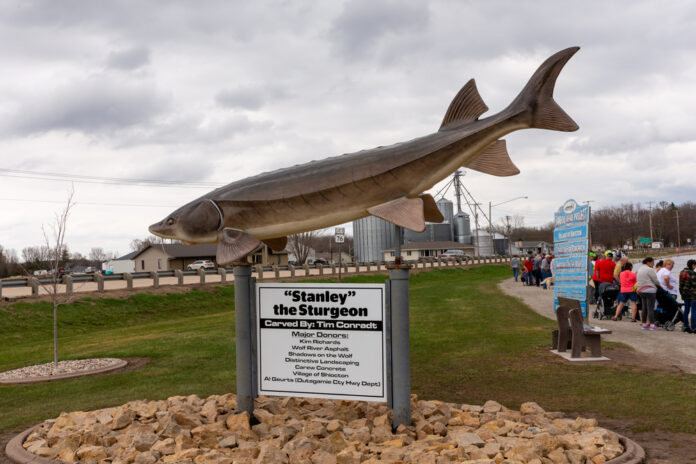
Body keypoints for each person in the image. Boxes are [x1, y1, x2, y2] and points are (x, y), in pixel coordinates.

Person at [636, 257, 661, 330]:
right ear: (648, 262)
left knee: (644, 308)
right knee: (650, 308)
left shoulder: (639, 269)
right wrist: (660, 286)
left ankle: (644, 324)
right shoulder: (650, 270)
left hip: (641, 290)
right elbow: (655, 280)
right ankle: (652, 325)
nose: (653, 265)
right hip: (649, 290)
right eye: (653, 263)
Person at [679, 259, 696, 333]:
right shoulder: (693, 273)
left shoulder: (682, 273)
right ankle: (693, 327)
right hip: (693, 295)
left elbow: (680, 285)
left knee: (686, 311)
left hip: (685, 295)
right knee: (694, 311)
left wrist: (682, 294)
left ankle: (686, 326)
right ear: (693, 265)